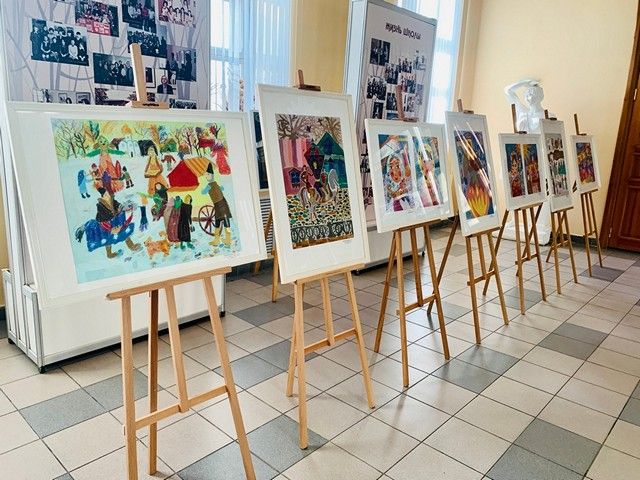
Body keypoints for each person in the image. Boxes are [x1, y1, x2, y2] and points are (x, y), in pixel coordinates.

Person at [76, 188, 141, 258]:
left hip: (116, 222)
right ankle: (109, 254)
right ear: (102, 196)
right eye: (106, 195)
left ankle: (131, 246)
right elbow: (102, 221)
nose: (108, 196)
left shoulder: (112, 201)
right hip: (106, 226)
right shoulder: (100, 206)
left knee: (124, 232)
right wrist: (111, 230)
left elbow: (119, 206)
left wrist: (124, 207)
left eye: (108, 194)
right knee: (107, 238)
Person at [202, 163, 232, 247]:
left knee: (218, 222)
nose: (206, 177)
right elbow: (222, 188)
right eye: (206, 175)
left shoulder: (209, 185)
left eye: (207, 175)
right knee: (225, 221)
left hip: (218, 205)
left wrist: (203, 190)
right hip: (223, 204)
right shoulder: (216, 184)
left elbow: (203, 192)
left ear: (212, 175)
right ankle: (227, 240)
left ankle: (218, 240)